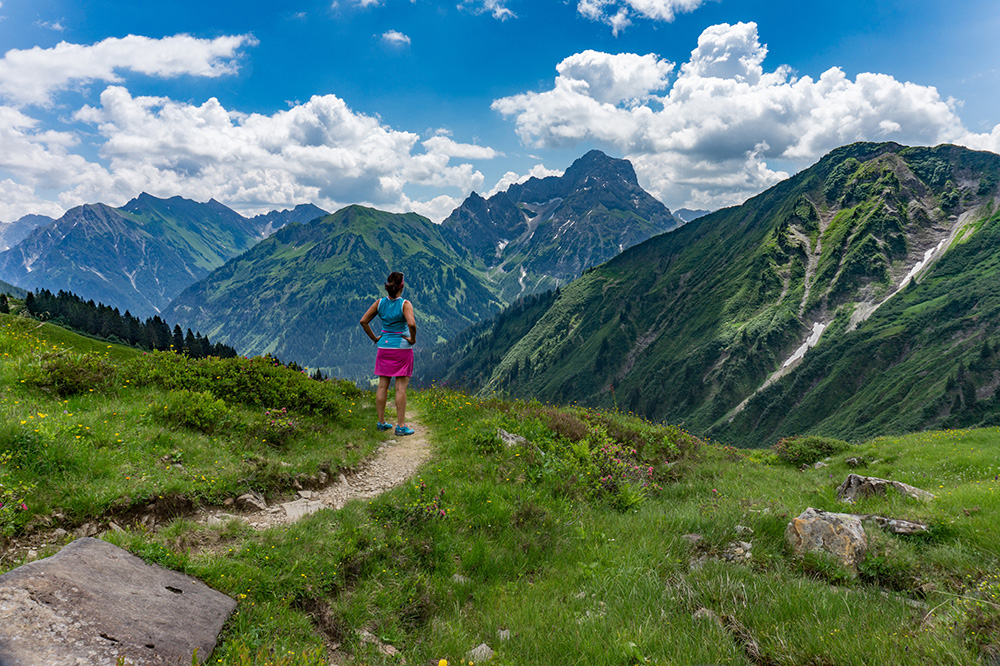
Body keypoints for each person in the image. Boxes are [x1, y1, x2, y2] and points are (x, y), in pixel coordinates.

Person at [360, 271, 417, 436]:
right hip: (402, 349)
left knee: (383, 386)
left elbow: (363, 321)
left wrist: (375, 338)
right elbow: (411, 324)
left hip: (384, 348)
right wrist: (412, 339)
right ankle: (400, 426)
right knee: (400, 389)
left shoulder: (379, 303)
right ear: (402, 286)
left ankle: (381, 422)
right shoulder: (405, 304)